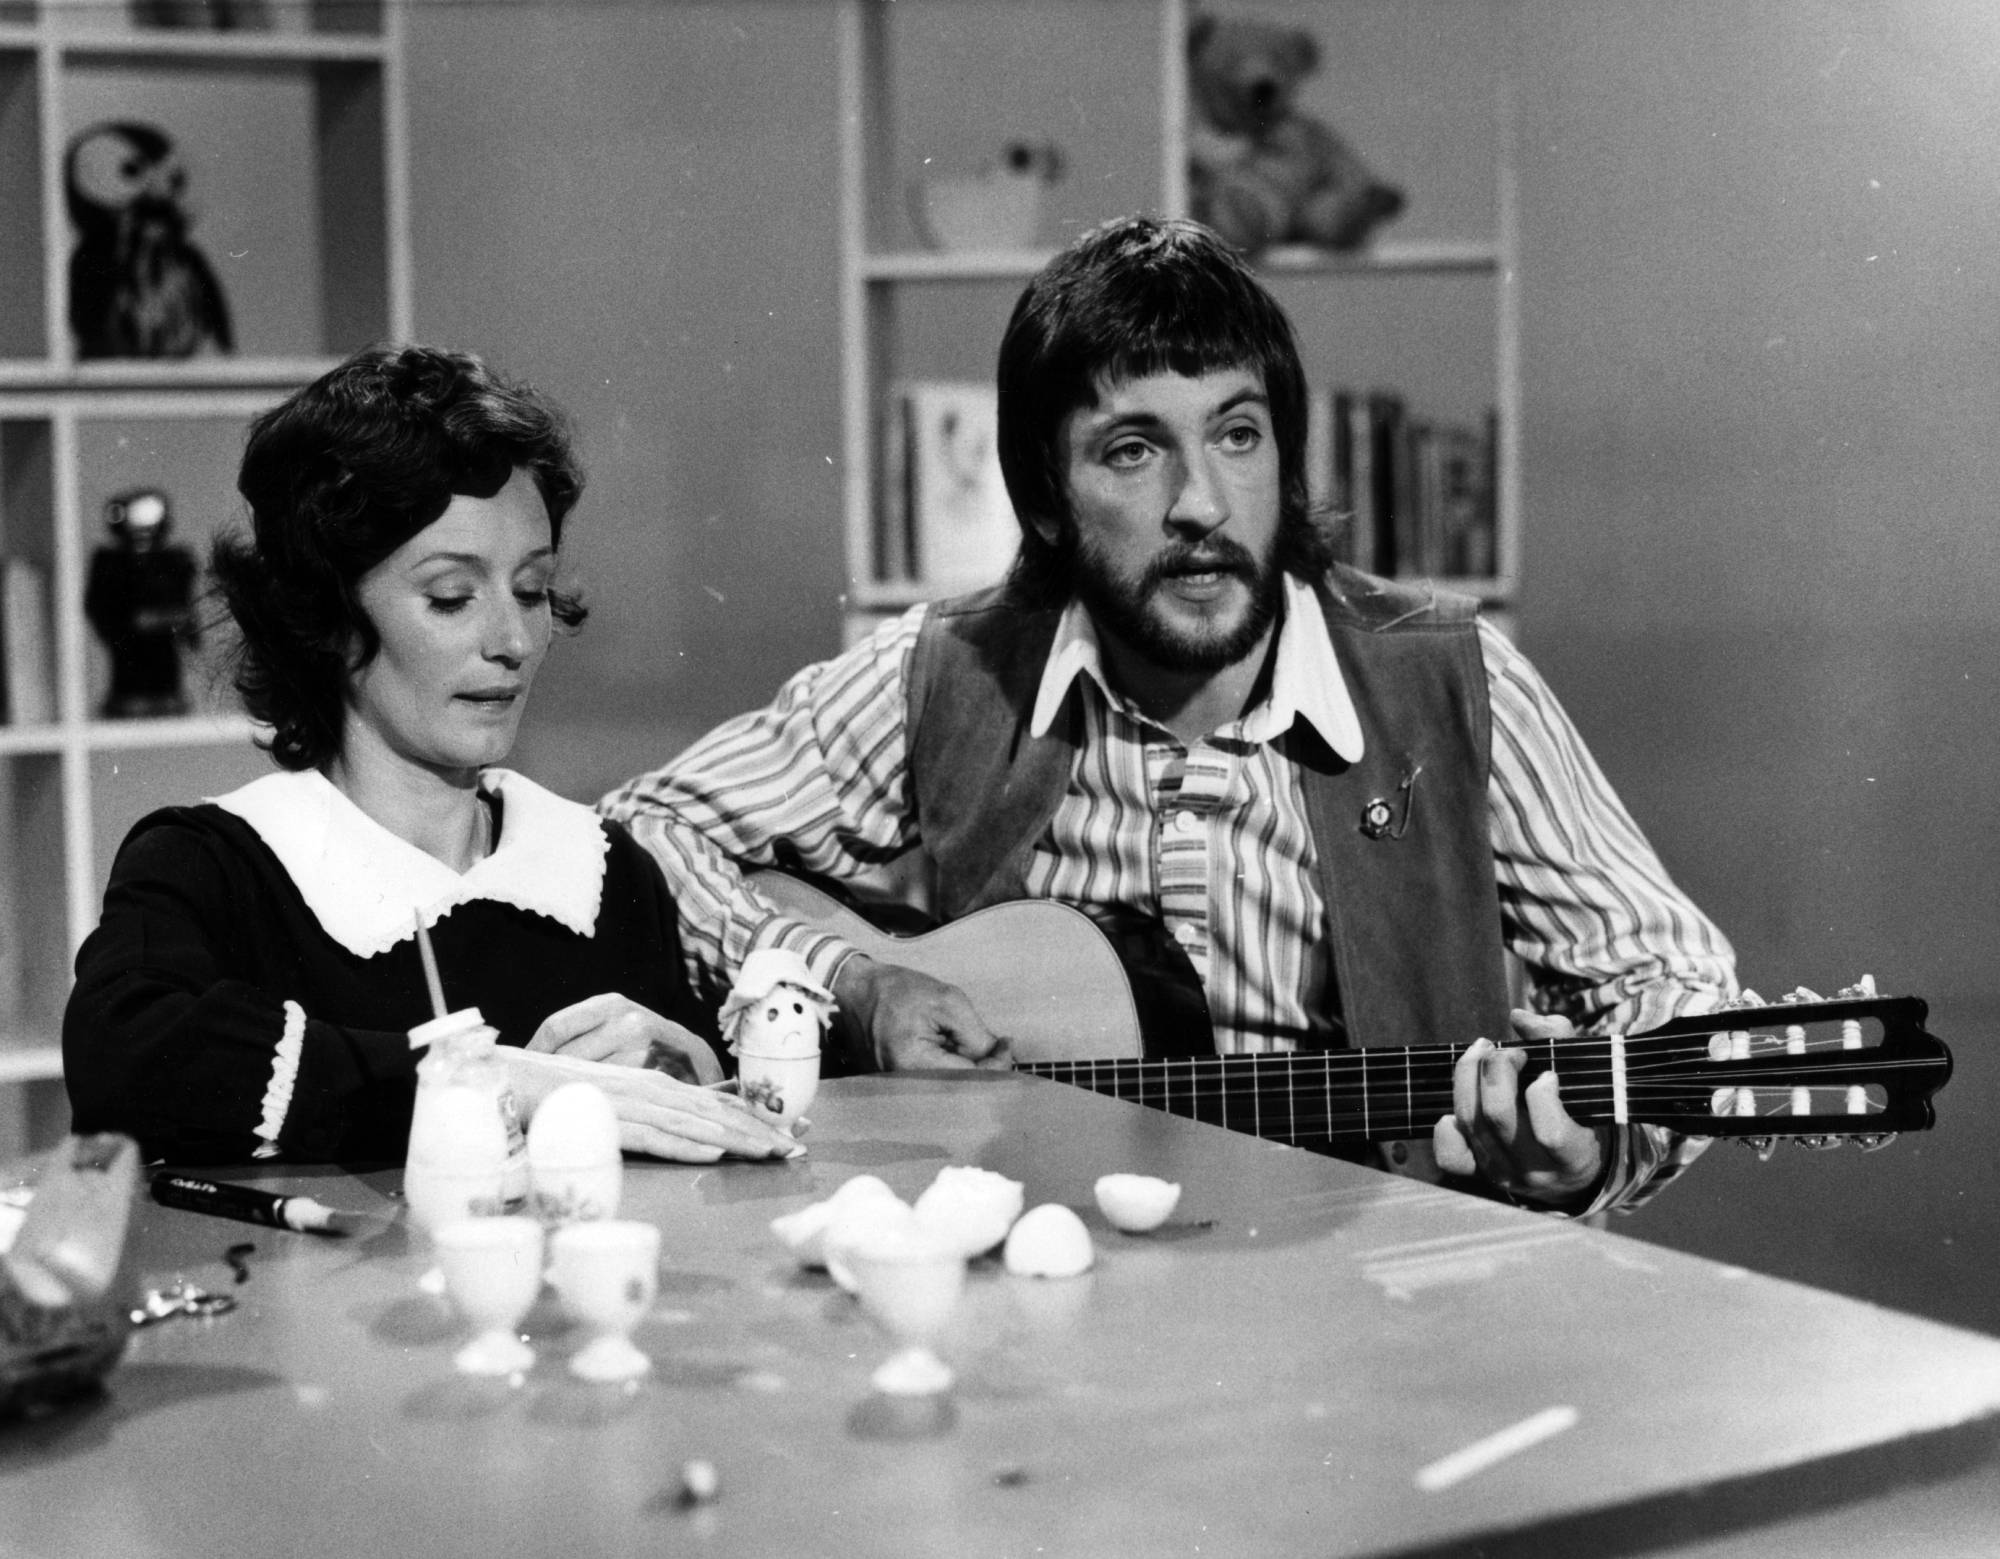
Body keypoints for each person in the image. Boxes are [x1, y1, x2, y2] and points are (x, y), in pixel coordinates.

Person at [599, 216, 1738, 1216]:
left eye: (1236, 435)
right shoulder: (954, 671)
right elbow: (641, 835)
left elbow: (1674, 985)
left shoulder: (1448, 680)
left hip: (1386, 1311)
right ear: (1045, 500)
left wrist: (1585, 1159)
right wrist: (853, 981)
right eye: (1134, 450)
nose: (1200, 503)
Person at [63, 344, 800, 1168]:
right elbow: (122, 1063)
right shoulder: (212, 867)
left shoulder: (603, 872)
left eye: (531, 590)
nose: (515, 640)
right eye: (452, 597)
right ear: (326, 615)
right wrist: (495, 1085)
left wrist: (690, 1079)